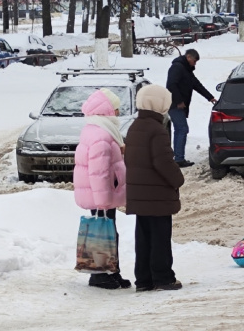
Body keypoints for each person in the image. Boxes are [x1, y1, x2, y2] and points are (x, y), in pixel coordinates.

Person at [124, 84, 185, 292]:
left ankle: (144, 279)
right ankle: (163, 277)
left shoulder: (134, 127)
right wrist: (178, 179)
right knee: (160, 237)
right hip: (157, 194)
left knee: (143, 238)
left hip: (139, 194)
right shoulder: (157, 130)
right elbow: (163, 162)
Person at [73, 88, 130, 289]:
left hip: (101, 192)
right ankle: (99, 275)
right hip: (101, 194)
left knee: (107, 233)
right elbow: (99, 172)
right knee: (104, 233)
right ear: (107, 110)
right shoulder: (101, 134)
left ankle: (111, 272)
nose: (118, 112)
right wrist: (103, 201)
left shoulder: (96, 128)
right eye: (115, 108)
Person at [165, 49, 216, 168]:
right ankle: (179, 159)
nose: (195, 64)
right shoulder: (177, 67)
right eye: (194, 61)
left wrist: (210, 97)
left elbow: (196, 84)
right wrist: (179, 101)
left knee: (180, 129)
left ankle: (178, 157)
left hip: (179, 105)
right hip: (175, 105)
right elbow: (171, 84)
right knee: (182, 129)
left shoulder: (186, 69)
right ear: (188, 57)